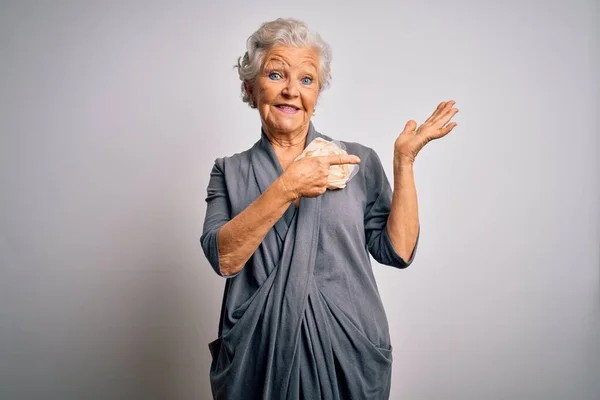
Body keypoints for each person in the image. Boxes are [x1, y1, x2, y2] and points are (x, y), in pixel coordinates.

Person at [200, 17, 458, 400]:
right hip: (258, 355)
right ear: (250, 89)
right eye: (275, 74)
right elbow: (224, 257)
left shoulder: (355, 161)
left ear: (316, 96)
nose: (291, 91)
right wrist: (288, 187)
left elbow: (399, 251)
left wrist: (404, 163)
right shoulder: (229, 171)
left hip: (347, 352)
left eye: (306, 80)